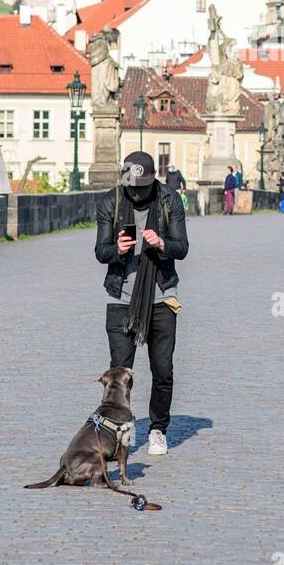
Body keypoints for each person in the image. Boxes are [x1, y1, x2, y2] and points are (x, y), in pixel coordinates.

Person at [94, 151, 189, 457]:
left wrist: (162, 244)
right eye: (131, 187)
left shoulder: (169, 200)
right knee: (119, 373)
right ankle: (115, 434)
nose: (135, 193)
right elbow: (100, 251)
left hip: (162, 295)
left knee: (162, 369)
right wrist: (118, 250)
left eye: (141, 188)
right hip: (120, 297)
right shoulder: (111, 201)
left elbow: (182, 247)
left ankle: (158, 429)